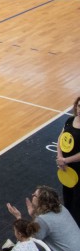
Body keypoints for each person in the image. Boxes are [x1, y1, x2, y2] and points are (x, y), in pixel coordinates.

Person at [6, 186, 80, 251]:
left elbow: (26, 237)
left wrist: (18, 217)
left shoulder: (43, 220)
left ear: (41, 201)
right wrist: (34, 215)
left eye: (35, 195)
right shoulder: (61, 208)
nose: (32, 195)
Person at [57, 95, 80, 223]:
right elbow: (61, 138)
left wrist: (66, 160)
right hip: (66, 167)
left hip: (77, 167)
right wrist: (59, 157)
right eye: (79, 105)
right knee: (67, 195)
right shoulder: (70, 120)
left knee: (78, 200)